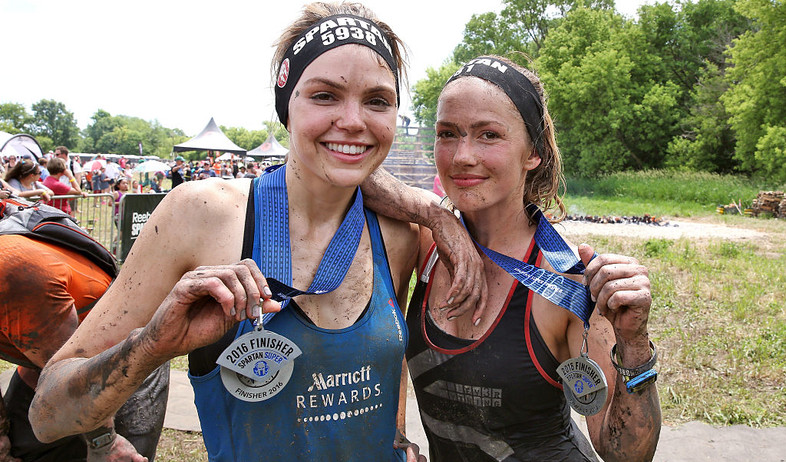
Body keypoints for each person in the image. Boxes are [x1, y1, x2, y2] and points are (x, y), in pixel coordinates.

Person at [29, 3, 486, 461]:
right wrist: (152, 347)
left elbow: (388, 361)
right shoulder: (202, 215)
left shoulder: (401, 232)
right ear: (286, 105)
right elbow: (47, 415)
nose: (353, 121)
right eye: (325, 95)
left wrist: (399, 435)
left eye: (377, 101)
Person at [369, 56, 661, 461]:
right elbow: (354, 171)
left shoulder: (565, 282)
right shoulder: (425, 243)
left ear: (533, 153)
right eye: (448, 133)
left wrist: (634, 344)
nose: (462, 156)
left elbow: (623, 452)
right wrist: (436, 216)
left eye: (489, 135)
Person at [0, 232, 170, 462]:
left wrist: (104, 442)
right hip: (43, 350)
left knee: (117, 456)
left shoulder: (11, 271)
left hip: (124, 349)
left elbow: (74, 373)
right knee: (25, 449)